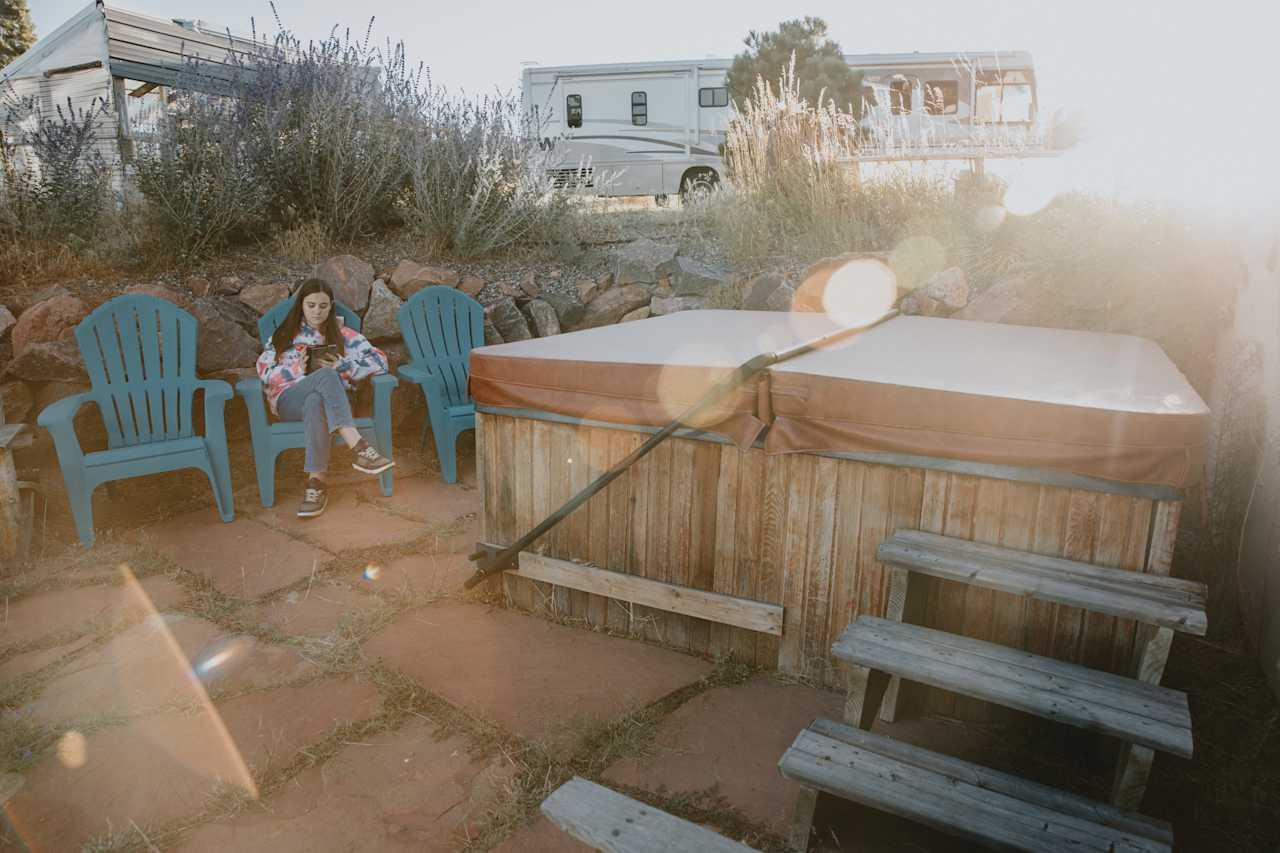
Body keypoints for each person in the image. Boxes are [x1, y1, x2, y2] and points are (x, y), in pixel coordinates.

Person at [256, 278, 395, 518]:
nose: (316, 311)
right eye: (311, 305)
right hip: (290, 401)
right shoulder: (284, 335)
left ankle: (316, 484)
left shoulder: (344, 335)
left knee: (316, 400)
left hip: (330, 404)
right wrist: (297, 369)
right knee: (323, 377)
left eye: (322, 306)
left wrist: (346, 366)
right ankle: (360, 448)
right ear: (301, 305)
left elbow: (381, 360)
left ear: (330, 307)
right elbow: (264, 372)